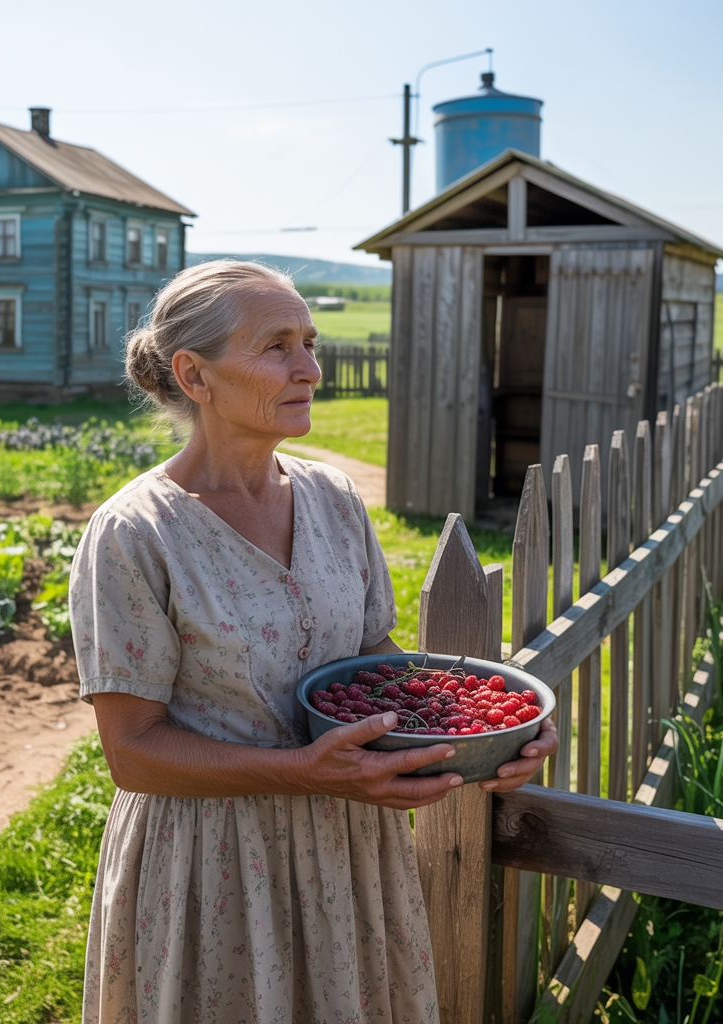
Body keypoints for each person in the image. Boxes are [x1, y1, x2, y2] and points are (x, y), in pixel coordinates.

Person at [71, 260, 558, 1024]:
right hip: (218, 865)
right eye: (276, 347)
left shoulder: (332, 497)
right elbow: (131, 750)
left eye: (310, 341)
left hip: (349, 848)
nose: (310, 368)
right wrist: (301, 772)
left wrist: (492, 737)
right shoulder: (137, 534)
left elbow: (374, 670)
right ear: (194, 374)